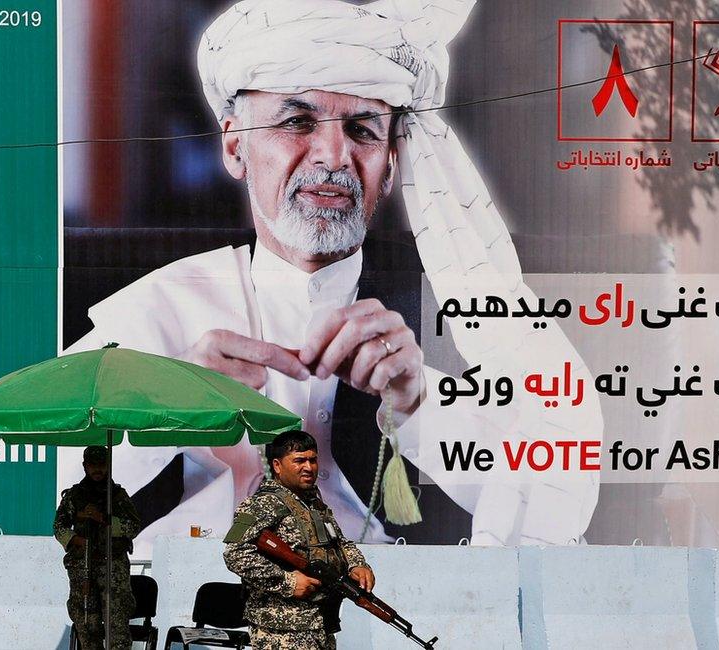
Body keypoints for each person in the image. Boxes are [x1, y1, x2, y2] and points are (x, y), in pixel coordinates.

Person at [61, 0, 602, 558]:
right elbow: (20, 475)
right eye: (297, 122)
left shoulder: (458, 312)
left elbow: (560, 496)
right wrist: (162, 409)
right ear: (234, 146)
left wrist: (419, 405)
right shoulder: (162, 308)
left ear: (391, 163)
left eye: (363, 129)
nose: (334, 155)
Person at [224, 430, 374, 650]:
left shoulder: (315, 505)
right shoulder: (262, 504)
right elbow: (235, 554)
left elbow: (340, 543)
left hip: (319, 624)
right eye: (299, 460)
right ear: (277, 465)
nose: (308, 467)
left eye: (313, 460)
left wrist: (357, 564)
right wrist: (287, 582)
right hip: (280, 631)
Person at [53, 445, 142, 649]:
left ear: (108, 466)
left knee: (116, 625)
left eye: (101, 465)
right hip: (83, 567)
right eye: (93, 465)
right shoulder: (74, 496)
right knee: (86, 623)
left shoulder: (118, 496)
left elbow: (134, 526)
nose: (97, 470)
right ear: (85, 466)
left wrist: (104, 519)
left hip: (113, 566)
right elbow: (59, 527)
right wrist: (77, 537)